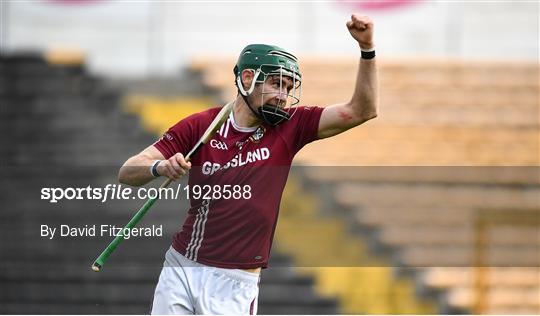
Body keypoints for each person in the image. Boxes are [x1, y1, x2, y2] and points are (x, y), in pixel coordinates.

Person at [118, 13, 378, 315]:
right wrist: (159, 168)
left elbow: (362, 110)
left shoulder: (292, 126)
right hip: (183, 266)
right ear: (246, 79)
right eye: (276, 84)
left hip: (236, 282)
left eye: (288, 86)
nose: (283, 96)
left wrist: (367, 49)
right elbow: (127, 172)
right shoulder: (201, 126)